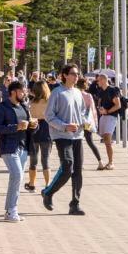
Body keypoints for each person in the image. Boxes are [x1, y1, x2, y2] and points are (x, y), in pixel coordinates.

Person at [41, 64, 89, 215]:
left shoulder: (77, 93)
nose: (76, 77)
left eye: (77, 74)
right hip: (62, 135)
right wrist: (64, 126)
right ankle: (48, 192)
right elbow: (49, 116)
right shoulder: (57, 92)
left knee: (78, 170)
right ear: (65, 75)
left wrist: (85, 122)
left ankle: (75, 203)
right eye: (73, 74)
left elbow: (82, 112)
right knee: (68, 165)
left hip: (78, 136)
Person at [0, 80, 32, 222]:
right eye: (22, 91)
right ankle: (11, 211)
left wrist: (33, 125)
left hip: (23, 147)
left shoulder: (24, 106)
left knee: (17, 179)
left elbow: (28, 126)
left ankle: (11, 210)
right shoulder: (2, 107)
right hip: (9, 147)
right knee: (17, 176)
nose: (24, 93)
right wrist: (16, 127)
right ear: (13, 92)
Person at [91, 73, 121, 170]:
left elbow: (118, 105)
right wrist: (100, 109)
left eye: (98, 80)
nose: (97, 82)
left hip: (111, 116)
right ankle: (109, 161)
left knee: (107, 140)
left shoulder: (112, 90)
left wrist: (107, 111)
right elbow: (100, 102)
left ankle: (111, 162)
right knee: (105, 140)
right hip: (103, 117)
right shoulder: (100, 91)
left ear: (103, 80)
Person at [26, 80, 52, 192]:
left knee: (33, 160)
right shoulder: (50, 102)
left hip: (34, 129)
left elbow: (28, 116)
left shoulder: (31, 103)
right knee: (45, 160)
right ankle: (48, 185)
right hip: (47, 130)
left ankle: (32, 184)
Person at [76, 77, 104, 171]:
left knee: (78, 142)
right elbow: (93, 110)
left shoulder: (74, 94)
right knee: (90, 142)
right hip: (87, 121)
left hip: (76, 121)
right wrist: (95, 123)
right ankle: (100, 161)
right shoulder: (88, 96)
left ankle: (80, 164)